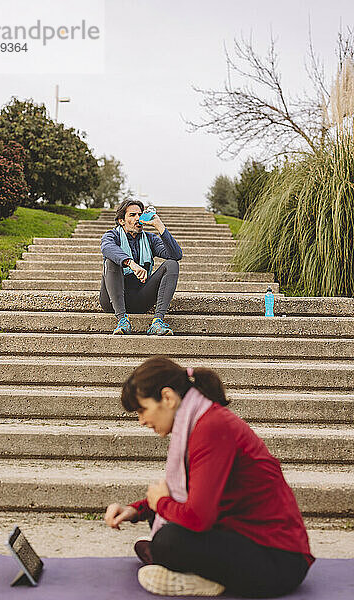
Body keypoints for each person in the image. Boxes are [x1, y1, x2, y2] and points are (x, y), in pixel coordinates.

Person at [104, 356, 315, 598]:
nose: (142, 421)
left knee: (168, 540)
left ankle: (195, 575)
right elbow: (190, 494)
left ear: (167, 398)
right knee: (164, 525)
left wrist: (160, 503)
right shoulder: (202, 421)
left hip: (279, 562)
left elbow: (198, 518)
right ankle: (174, 562)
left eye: (143, 410)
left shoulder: (211, 427)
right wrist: (137, 510)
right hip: (248, 540)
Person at [99, 200, 182, 335]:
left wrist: (160, 226)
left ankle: (157, 322)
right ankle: (121, 320)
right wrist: (130, 263)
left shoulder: (150, 239)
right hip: (111, 300)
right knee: (111, 261)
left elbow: (176, 255)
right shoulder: (112, 236)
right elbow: (108, 248)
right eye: (132, 215)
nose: (138, 218)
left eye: (140, 214)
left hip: (140, 298)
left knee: (172, 264)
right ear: (121, 221)